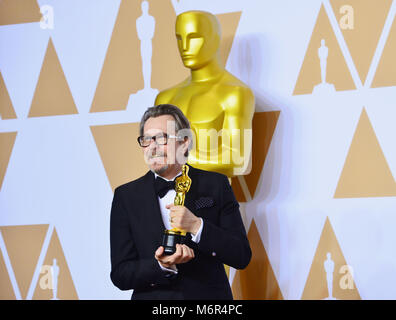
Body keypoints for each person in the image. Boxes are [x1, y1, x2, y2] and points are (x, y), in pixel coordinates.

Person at [110, 104, 251, 299]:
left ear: (184, 141)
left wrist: (197, 226)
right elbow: (120, 274)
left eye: (161, 138)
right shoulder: (126, 196)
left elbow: (241, 255)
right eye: (147, 139)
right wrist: (162, 265)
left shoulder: (216, 184)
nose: (153, 146)